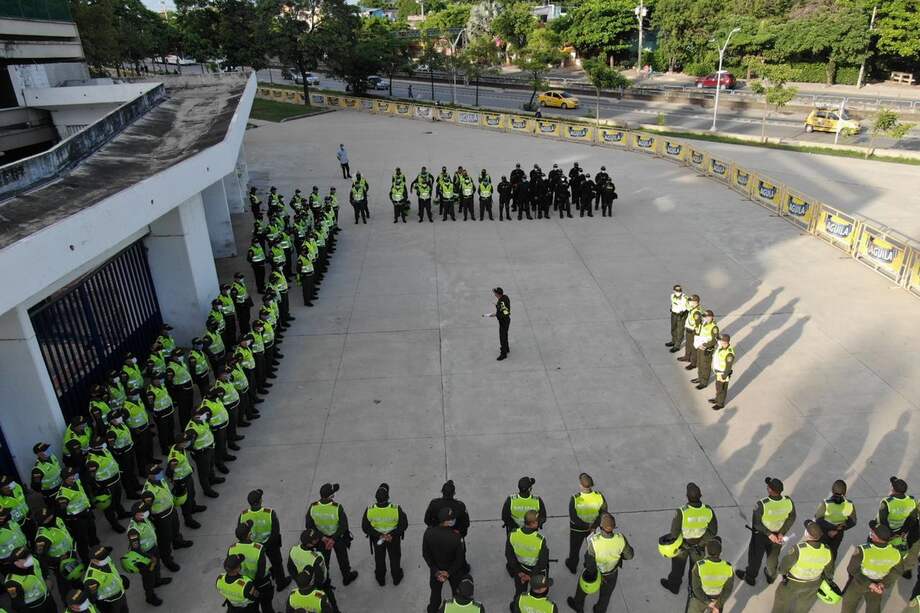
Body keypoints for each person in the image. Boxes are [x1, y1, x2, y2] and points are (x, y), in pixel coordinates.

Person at [736, 477, 796, 586]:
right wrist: (782, 532)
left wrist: (769, 534)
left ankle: (750, 577)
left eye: (768, 486)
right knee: (773, 557)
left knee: (755, 557)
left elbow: (756, 523)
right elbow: (792, 517)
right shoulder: (788, 501)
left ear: (770, 490)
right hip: (778, 535)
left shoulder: (762, 504)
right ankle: (771, 576)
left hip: (761, 535)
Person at [567, 513, 633, 613]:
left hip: (596, 572)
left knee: (582, 589)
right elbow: (630, 556)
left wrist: (592, 573)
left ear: (601, 527)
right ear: (613, 527)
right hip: (611, 573)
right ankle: (599, 610)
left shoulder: (594, 541)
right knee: (606, 596)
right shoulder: (620, 539)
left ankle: (578, 605)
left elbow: (589, 562)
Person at [660, 482, 718, 594]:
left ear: (687, 496)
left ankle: (674, 586)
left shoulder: (682, 512)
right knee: (695, 570)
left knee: (677, 568)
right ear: (700, 495)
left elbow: (674, 533)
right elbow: (713, 531)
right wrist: (702, 542)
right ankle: (693, 590)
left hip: (683, 546)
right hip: (699, 547)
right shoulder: (708, 510)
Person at [771, 519, 833, 613]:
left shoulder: (798, 549)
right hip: (813, 584)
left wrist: (781, 572)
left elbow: (784, 566)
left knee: (781, 602)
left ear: (807, 534)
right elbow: (830, 571)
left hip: (793, 582)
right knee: (804, 606)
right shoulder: (827, 550)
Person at [840, 520, 903, 613]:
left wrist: (870, 584)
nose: (871, 533)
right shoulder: (896, 553)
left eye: (873, 533)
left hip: (860, 582)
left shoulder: (862, 550)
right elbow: (898, 571)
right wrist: (883, 584)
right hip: (878, 584)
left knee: (849, 602)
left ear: (877, 538)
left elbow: (852, 569)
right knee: (874, 606)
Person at [305, 483, 358, 586]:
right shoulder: (337, 508)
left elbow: (309, 526)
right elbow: (344, 526)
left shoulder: (313, 507)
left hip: (322, 539)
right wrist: (333, 539)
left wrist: (322, 537)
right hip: (337, 538)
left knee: (324, 562)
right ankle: (347, 577)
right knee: (343, 559)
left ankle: (326, 582)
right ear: (331, 496)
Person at [239, 489, 290, 591]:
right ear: (260, 500)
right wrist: (265, 546)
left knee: (258, 567)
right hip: (270, 545)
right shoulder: (270, 513)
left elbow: (241, 532)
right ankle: (281, 583)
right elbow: (275, 532)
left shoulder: (243, 515)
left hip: (253, 547)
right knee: (277, 563)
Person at [124, 500, 169, 606]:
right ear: (136, 514)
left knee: (156, 567)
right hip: (144, 556)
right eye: (143, 511)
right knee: (148, 577)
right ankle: (150, 597)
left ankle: (157, 581)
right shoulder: (133, 531)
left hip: (153, 548)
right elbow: (136, 549)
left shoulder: (144, 519)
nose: (146, 512)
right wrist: (149, 557)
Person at [362, 483, 408, 586]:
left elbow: (365, 527)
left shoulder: (370, 510)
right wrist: (391, 535)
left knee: (379, 559)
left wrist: (380, 535)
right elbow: (404, 524)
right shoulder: (396, 509)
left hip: (378, 539)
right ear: (388, 497)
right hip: (393, 539)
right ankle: (396, 577)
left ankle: (380, 579)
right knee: (395, 558)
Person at [423, 507, 468, 613]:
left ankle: (432, 610)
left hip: (436, 570)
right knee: (457, 593)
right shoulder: (456, 537)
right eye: (452, 519)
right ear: (447, 522)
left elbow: (426, 554)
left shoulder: (428, 533)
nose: (453, 520)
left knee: (435, 594)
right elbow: (460, 559)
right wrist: (448, 573)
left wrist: (436, 571)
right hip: (453, 571)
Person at [287, 529, 340, 612]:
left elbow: (290, 568)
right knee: (328, 593)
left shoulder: (293, 550)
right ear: (309, 544)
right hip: (314, 583)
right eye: (315, 539)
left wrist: (299, 580)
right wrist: (316, 588)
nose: (317, 539)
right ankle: (335, 610)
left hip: (303, 581)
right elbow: (321, 578)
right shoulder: (317, 557)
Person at [84, 436, 129, 534]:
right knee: (108, 508)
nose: (104, 444)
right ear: (95, 447)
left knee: (117, 500)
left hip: (115, 480)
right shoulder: (92, 461)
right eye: (101, 444)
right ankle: (114, 524)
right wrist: (99, 490)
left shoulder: (104, 450)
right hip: (106, 486)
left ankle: (121, 513)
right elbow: (91, 479)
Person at [876, 476, 918, 578]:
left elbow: (882, 521)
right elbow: (912, 518)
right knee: (897, 551)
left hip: (887, 532)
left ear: (893, 489)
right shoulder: (912, 501)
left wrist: (889, 534)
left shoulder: (887, 502)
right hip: (900, 531)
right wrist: (902, 532)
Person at [565, 473, 607, 575]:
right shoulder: (599, 496)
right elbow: (603, 513)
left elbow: (573, 517)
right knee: (591, 549)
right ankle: (588, 565)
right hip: (593, 529)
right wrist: (593, 525)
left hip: (577, 530)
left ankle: (572, 565)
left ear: (581, 485)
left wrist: (586, 525)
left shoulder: (575, 498)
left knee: (574, 549)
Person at [229, 521, 275, 613]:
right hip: (261, 583)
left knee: (253, 607)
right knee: (266, 605)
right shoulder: (258, 549)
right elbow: (261, 572)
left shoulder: (232, 549)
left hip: (246, 584)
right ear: (249, 534)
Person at [55, 467, 97, 564]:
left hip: (87, 513)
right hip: (77, 520)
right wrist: (70, 522)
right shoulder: (63, 494)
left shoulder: (76, 482)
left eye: (73, 475)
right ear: (64, 479)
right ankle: (86, 561)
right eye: (70, 476)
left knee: (92, 533)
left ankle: (96, 552)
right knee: (82, 541)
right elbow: (62, 512)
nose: (73, 477)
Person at [505, 510, 549, 603]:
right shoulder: (540, 540)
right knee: (538, 592)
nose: (539, 522)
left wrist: (519, 572)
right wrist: (531, 576)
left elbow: (509, 555)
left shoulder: (513, 534)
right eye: (537, 521)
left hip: (520, 569)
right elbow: (543, 562)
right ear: (532, 523)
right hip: (536, 571)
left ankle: (517, 606)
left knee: (520, 592)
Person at [4, 545, 56, 612]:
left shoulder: (34, 560)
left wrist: (47, 578)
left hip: (48, 599)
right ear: (16, 563)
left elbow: (43, 567)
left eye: (28, 555)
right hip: (34, 608)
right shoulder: (12, 582)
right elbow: (17, 603)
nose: (30, 558)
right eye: (25, 558)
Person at [815, 480, 857, 562]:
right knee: (833, 550)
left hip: (824, 531)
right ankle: (831, 566)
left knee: (822, 549)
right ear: (845, 492)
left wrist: (832, 528)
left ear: (832, 490)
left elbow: (818, 520)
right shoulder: (849, 504)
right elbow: (853, 521)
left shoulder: (826, 503)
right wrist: (838, 529)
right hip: (839, 532)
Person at [688, 539, 733, 613]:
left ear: (707, 552)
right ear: (721, 553)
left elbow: (696, 588)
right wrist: (717, 605)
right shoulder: (728, 568)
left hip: (700, 599)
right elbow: (727, 590)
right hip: (717, 599)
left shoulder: (699, 566)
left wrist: (708, 602)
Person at [83, 545, 128, 613]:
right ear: (93, 561)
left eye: (105, 555)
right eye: (102, 558)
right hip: (110, 604)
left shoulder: (105, 560)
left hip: (121, 595)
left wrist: (120, 581)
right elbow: (91, 598)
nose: (106, 558)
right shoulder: (92, 579)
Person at [692, 310, 720, 390]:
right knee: (700, 363)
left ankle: (704, 382)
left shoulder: (714, 327)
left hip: (707, 349)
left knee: (705, 366)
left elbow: (714, 340)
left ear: (712, 317)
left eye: (708, 317)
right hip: (700, 347)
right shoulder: (703, 324)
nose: (706, 318)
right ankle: (700, 378)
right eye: (704, 317)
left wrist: (705, 345)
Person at [486, 287, 511, 361]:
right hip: (506, 321)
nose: (494, 295)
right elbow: (504, 309)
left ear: (498, 294)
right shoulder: (505, 297)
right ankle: (506, 348)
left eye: (495, 293)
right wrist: (497, 306)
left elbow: (506, 313)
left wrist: (495, 315)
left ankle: (503, 354)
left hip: (504, 322)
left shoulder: (501, 302)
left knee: (502, 337)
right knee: (505, 334)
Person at [710, 334, 735, 410]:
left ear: (725, 342)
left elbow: (728, 367)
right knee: (718, 387)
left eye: (721, 340)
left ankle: (720, 404)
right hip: (718, 373)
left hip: (723, 373)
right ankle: (717, 398)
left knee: (722, 389)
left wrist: (724, 376)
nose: (719, 342)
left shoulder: (729, 354)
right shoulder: (721, 347)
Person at [678, 295, 702, 369]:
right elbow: (687, 306)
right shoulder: (692, 308)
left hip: (693, 331)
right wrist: (684, 298)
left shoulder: (697, 312)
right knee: (688, 344)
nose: (690, 302)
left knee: (693, 346)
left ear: (695, 302)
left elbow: (697, 325)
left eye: (691, 301)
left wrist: (697, 334)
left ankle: (693, 363)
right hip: (689, 329)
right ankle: (687, 357)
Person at [666, 285, 687, 353]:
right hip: (674, 314)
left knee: (680, 330)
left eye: (680, 290)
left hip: (681, 315)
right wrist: (671, 308)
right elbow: (673, 303)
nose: (678, 291)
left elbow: (688, 306)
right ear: (674, 290)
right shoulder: (672, 296)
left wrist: (683, 312)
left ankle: (677, 346)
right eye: (677, 290)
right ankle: (673, 341)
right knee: (673, 328)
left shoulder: (684, 297)